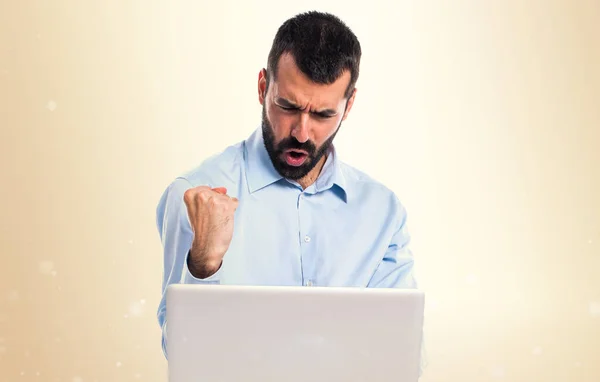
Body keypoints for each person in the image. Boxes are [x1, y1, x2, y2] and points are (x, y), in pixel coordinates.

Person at [155, 10, 425, 376]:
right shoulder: (196, 196)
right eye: (289, 106)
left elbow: (399, 353)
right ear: (263, 87)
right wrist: (204, 265)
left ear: (350, 105)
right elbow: (182, 354)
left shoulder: (383, 213)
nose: (301, 132)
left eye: (323, 115)